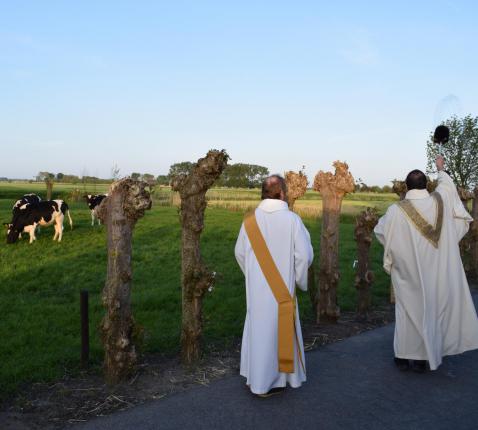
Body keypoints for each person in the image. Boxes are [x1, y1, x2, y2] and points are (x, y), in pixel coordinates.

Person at [374, 156, 478, 372]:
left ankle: (403, 356)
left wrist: (397, 254)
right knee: (432, 308)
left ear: (406, 186)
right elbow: (448, 188)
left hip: (408, 271)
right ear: (426, 185)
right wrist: (441, 169)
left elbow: (380, 231)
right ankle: (423, 358)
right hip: (438, 270)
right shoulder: (441, 200)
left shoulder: (396, 210)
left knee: (408, 310)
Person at [234, 175, 313, 396]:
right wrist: (299, 279)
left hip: (258, 291)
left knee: (260, 332)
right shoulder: (292, 220)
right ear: (282, 193)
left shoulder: (249, 220)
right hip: (283, 291)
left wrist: (253, 275)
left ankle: (257, 380)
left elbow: (239, 253)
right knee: (279, 330)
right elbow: (304, 256)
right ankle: (277, 380)